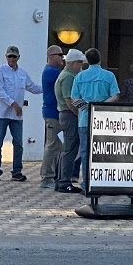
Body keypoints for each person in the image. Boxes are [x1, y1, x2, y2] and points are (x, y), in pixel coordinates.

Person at [0, 45, 43, 182]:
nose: (12, 59)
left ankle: (17, 171)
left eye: (14, 56)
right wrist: (14, 103)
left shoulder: (23, 73)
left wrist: (49, 87)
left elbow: (33, 87)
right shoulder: (0, 71)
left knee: (18, 143)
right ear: (6, 56)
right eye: (10, 56)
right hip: (2, 113)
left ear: (18, 57)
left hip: (16, 115)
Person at [70, 48, 121, 185]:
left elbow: (74, 98)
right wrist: (100, 105)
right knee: (104, 151)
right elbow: (115, 96)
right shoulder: (109, 75)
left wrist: (86, 107)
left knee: (85, 153)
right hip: (104, 119)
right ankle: (103, 182)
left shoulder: (79, 77)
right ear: (100, 59)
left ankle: (87, 183)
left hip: (84, 119)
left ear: (87, 61)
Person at [54, 49, 85, 194]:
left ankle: (60, 179)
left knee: (67, 149)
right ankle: (64, 182)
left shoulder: (68, 75)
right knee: (70, 150)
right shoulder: (68, 77)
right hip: (69, 115)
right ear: (73, 63)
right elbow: (69, 100)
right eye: (80, 63)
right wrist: (80, 115)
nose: (81, 66)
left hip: (66, 115)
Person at [40, 45, 65, 189]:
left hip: (54, 113)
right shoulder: (52, 72)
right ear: (51, 56)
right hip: (53, 114)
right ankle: (47, 178)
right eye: (59, 54)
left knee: (56, 145)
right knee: (52, 145)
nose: (62, 57)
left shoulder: (53, 71)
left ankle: (50, 175)